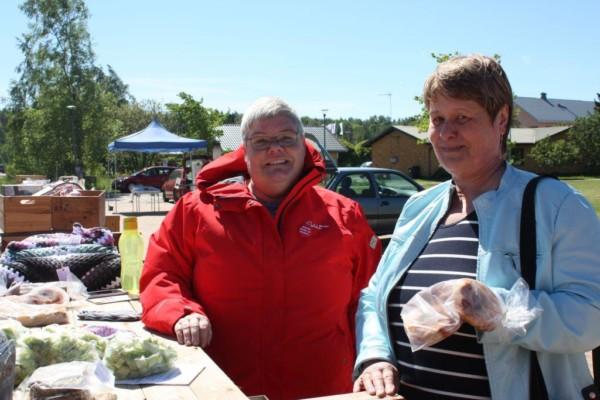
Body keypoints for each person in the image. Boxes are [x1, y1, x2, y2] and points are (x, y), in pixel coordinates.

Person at [352, 54, 600, 399]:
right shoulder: (418, 207)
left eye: (462, 117)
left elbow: (591, 317)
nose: (446, 133)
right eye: (437, 119)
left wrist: (497, 310)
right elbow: (373, 297)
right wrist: (375, 356)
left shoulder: (556, 206)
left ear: (501, 120)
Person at [140, 97, 381, 400]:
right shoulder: (197, 210)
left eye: (285, 138)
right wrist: (181, 313)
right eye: (261, 140)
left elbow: (371, 298)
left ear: (303, 144)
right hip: (225, 387)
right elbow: (162, 273)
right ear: (244, 152)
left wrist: (374, 358)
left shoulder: (344, 215)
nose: (275, 149)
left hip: (324, 388)